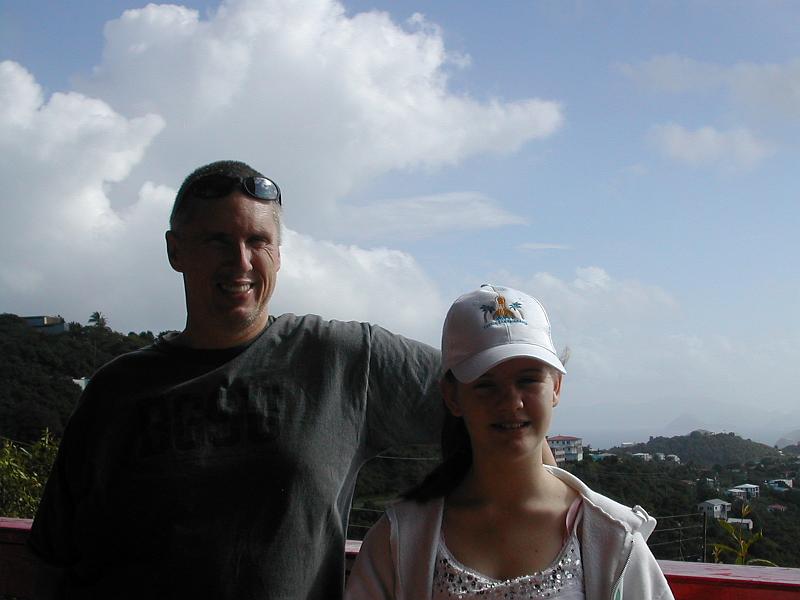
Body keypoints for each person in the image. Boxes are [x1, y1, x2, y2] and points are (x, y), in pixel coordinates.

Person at [28, 160, 446, 599]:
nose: (240, 261)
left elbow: (496, 402)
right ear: (176, 251)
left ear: (278, 255)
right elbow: (53, 557)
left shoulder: (344, 359)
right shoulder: (116, 390)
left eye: (258, 241)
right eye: (218, 241)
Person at [346, 284, 675, 600]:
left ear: (556, 387)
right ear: (452, 396)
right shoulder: (399, 540)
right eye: (486, 385)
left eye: (528, 380)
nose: (511, 403)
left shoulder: (612, 537)